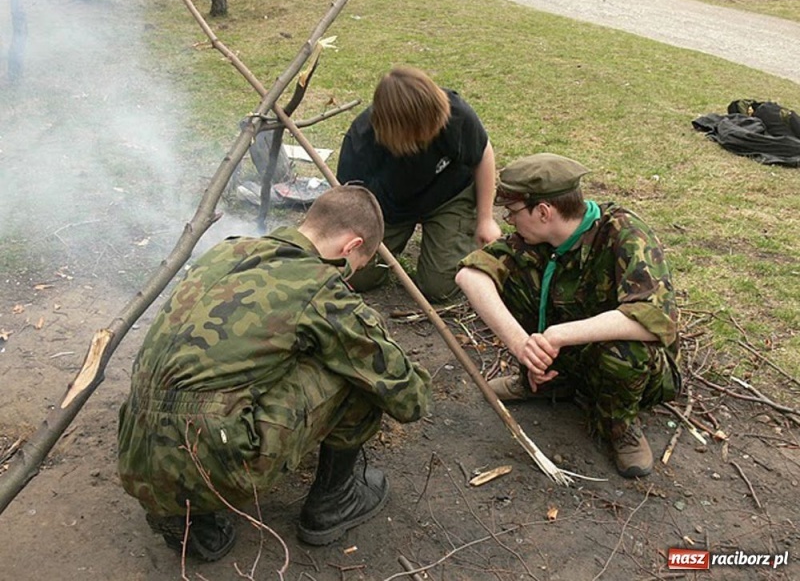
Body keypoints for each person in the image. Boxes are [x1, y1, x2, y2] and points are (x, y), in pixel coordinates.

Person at [117, 185, 432, 561]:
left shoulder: (228, 250)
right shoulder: (321, 286)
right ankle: (334, 501)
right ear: (351, 247)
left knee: (216, 376)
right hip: (218, 457)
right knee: (356, 371)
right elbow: (409, 397)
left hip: (134, 448)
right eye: (357, 265)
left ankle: (191, 517)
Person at [455, 153, 681, 478]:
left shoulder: (625, 233)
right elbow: (470, 275)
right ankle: (549, 383)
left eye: (514, 211)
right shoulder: (535, 240)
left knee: (628, 348)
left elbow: (655, 319)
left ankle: (620, 425)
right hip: (573, 357)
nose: (509, 220)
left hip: (631, 371)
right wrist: (523, 346)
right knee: (512, 280)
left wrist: (558, 336)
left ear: (544, 212)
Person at [337, 66, 502, 302]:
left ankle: (450, 238)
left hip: (449, 196)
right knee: (357, 277)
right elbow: (351, 197)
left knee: (441, 287)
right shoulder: (362, 140)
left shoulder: (455, 113)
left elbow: (483, 154)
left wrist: (485, 219)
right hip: (390, 210)